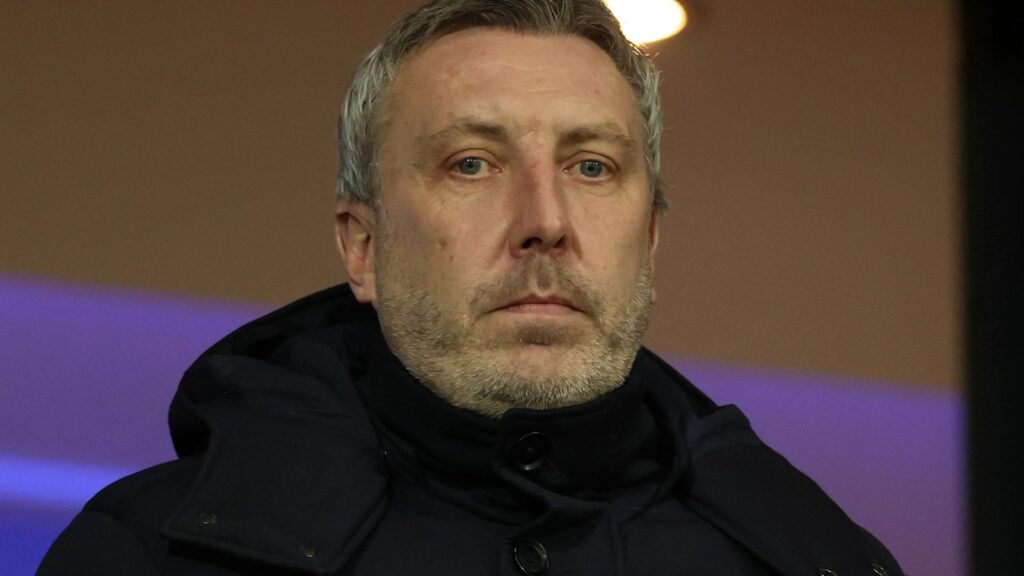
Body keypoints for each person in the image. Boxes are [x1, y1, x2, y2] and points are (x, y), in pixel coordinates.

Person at [39, 1, 904, 575]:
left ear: (647, 241)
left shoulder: (823, 559)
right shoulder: (146, 552)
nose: (544, 219)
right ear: (363, 245)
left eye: (592, 165)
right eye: (473, 163)